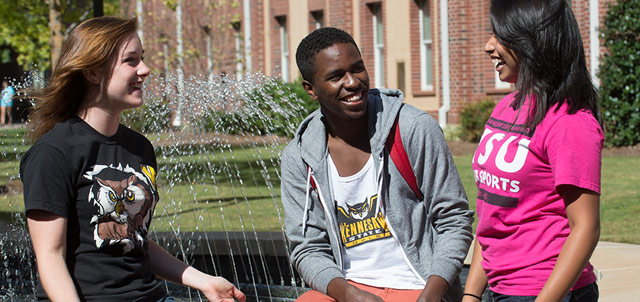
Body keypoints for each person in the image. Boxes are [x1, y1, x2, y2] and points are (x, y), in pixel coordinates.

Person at [20, 16, 246, 302]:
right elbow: (50, 258)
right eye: (131, 61)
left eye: (142, 58)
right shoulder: (54, 152)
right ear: (92, 71)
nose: (145, 69)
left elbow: (134, 240)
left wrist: (204, 281)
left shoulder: (139, 149)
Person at [281, 27, 474, 302]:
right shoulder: (300, 156)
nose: (352, 82)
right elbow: (307, 248)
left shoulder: (412, 129)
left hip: (419, 285)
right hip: (350, 288)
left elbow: (453, 220)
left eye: (357, 69)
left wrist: (430, 295)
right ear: (310, 89)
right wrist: (347, 293)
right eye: (336, 76)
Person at [463, 1, 603, 301]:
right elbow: (491, 212)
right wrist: (472, 294)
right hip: (497, 288)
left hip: (545, 290)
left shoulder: (569, 121)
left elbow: (586, 227)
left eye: (500, 36)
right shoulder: (506, 107)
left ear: (531, 40)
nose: (489, 46)